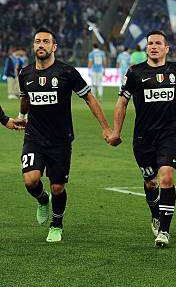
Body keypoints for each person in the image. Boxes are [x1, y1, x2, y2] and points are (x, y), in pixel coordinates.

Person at [107, 30, 176, 248]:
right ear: (146, 48)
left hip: (170, 133)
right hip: (143, 137)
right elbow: (122, 103)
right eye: (150, 44)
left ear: (166, 48)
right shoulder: (135, 73)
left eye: (158, 43)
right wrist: (116, 132)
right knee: (150, 182)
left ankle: (164, 230)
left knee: (166, 178)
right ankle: (155, 213)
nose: (153, 46)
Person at [18, 28, 112, 243]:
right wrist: (21, 115)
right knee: (31, 181)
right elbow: (25, 98)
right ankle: (42, 200)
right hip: (33, 137)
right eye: (37, 41)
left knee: (57, 187)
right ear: (33, 46)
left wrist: (106, 128)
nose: (41, 45)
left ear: (54, 47)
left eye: (45, 41)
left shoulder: (67, 72)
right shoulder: (25, 73)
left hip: (60, 140)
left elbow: (89, 98)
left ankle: (56, 224)